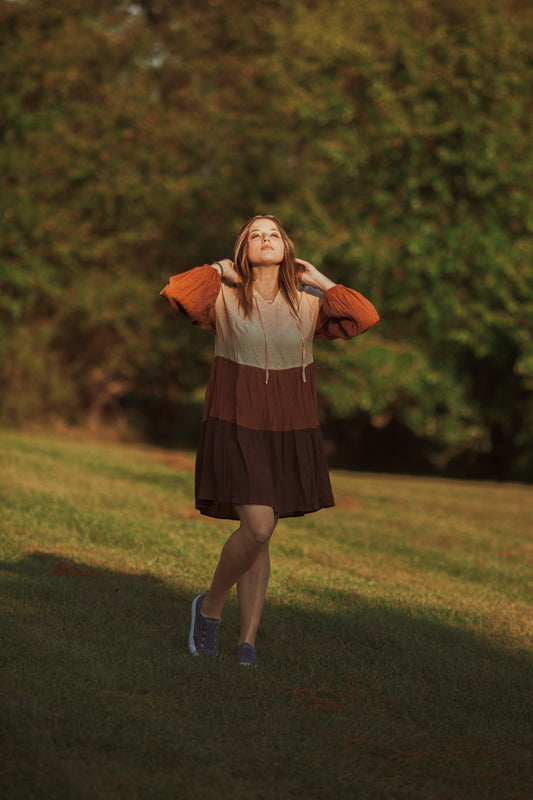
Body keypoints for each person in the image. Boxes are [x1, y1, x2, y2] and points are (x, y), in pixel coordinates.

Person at [160, 214, 379, 666]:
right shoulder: (222, 296)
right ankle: (210, 606)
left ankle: (247, 644)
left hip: (291, 427)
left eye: (273, 234)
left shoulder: (310, 301)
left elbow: (364, 315)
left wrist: (319, 277)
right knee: (258, 525)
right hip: (236, 422)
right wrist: (220, 267)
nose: (265, 240)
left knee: (262, 535)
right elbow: (178, 292)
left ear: (286, 247)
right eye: (255, 235)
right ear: (245, 248)